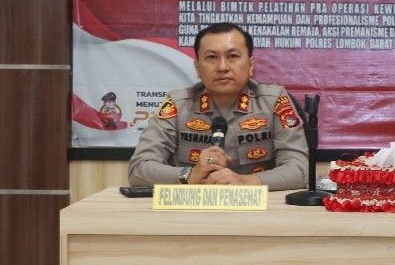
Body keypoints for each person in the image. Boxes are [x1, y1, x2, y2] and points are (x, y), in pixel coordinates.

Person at [128, 22, 308, 189]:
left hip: (257, 207)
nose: (222, 67)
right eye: (212, 57)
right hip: (192, 207)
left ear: (251, 65)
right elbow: (138, 169)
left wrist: (245, 181)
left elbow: (300, 170)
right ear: (197, 68)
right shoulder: (177, 104)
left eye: (232, 56)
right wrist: (189, 175)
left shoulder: (274, 101)